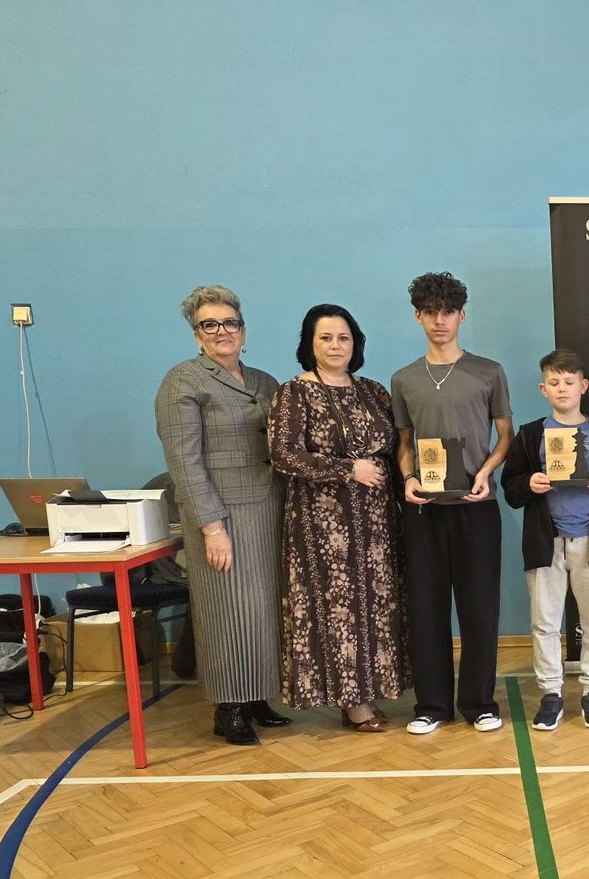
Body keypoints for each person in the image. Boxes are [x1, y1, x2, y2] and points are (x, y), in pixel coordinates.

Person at [155, 285, 289, 746]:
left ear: (243, 331)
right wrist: (212, 527)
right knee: (226, 610)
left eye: (230, 322)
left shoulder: (265, 382)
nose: (221, 331)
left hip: (269, 509)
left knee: (264, 609)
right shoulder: (182, 381)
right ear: (197, 335)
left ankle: (257, 696)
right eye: (209, 324)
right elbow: (184, 462)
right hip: (221, 517)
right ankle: (227, 708)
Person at [269, 304, 408, 731]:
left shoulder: (373, 391)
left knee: (376, 606)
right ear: (309, 344)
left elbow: (394, 448)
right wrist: (348, 469)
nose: (335, 345)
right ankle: (353, 703)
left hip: (377, 524)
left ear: (355, 343)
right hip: (323, 526)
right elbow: (283, 454)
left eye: (343, 337)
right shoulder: (295, 393)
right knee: (339, 610)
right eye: (325, 338)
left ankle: (370, 691)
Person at [391, 272, 512, 734]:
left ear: (461, 315)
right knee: (426, 608)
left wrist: (485, 473)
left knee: (480, 607)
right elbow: (404, 444)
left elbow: (504, 436)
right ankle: (431, 705)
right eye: (430, 313)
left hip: (476, 506)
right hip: (424, 510)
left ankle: (480, 703)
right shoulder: (404, 379)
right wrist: (407, 479)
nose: (439, 321)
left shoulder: (489, 371)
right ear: (417, 317)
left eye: (447, 312)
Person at [501, 350, 589, 730]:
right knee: (544, 621)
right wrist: (529, 483)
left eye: (569, 382)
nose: (562, 388)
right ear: (543, 389)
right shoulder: (530, 435)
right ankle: (551, 694)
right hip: (546, 541)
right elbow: (510, 489)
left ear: (582, 386)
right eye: (553, 382)